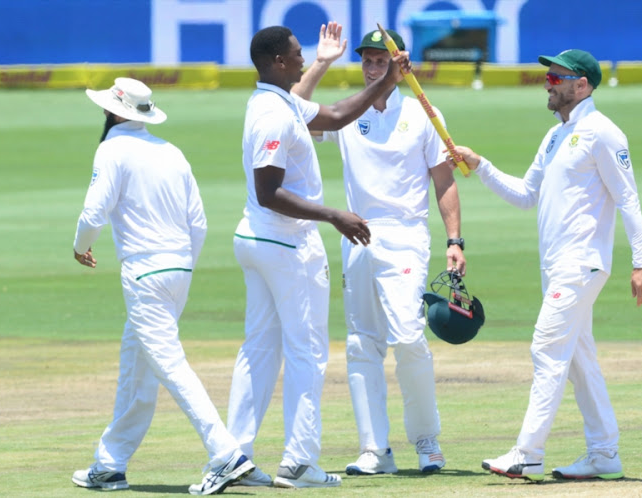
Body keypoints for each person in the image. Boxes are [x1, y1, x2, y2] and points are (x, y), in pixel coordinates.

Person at [451, 49, 642, 482]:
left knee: (546, 349)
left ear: (582, 85)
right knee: (580, 360)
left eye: (557, 77)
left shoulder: (603, 132)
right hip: (557, 266)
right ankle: (604, 454)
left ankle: (528, 453)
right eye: (548, 76)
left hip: (581, 263)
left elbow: (629, 199)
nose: (548, 82)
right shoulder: (555, 135)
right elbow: (526, 194)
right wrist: (480, 165)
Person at [226, 24, 411, 488]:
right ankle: (300, 460)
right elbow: (269, 191)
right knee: (306, 352)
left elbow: (333, 115)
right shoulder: (272, 112)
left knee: (259, 352)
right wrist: (333, 215)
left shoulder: (280, 100)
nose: (304, 59)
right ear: (278, 63)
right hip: (286, 243)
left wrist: (385, 82)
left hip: (263, 242)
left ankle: (234, 457)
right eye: (297, 54)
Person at [292, 28, 465, 475]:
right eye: (366, 60)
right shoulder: (349, 111)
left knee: (408, 335)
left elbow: (443, 180)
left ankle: (427, 439)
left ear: (396, 62)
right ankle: (374, 449)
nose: (372, 67)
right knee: (360, 344)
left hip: (405, 232)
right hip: (356, 232)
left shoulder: (422, 111)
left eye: (380, 61)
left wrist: (454, 241)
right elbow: (293, 110)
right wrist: (323, 61)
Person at [71, 77, 255, 495]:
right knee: (137, 370)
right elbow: (199, 223)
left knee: (170, 366)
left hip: (145, 273)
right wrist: (182, 264)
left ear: (111, 112)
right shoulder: (172, 152)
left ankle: (225, 453)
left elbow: (93, 211)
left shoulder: (111, 148)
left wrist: (80, 247)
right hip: (178, 270)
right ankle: (109, 464)